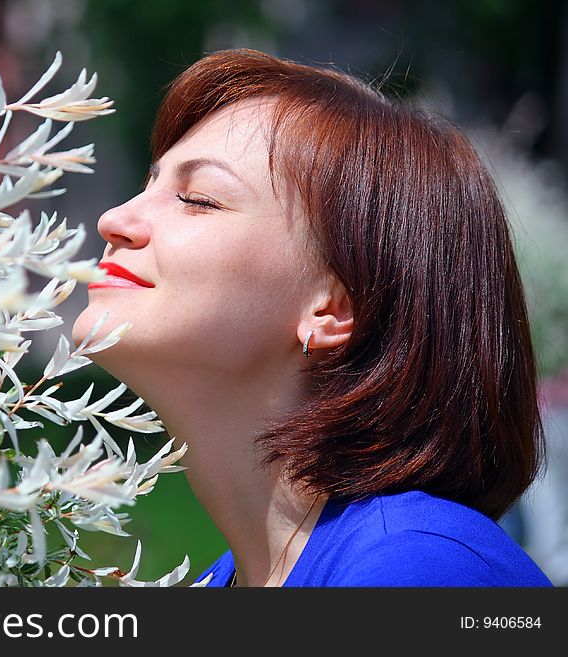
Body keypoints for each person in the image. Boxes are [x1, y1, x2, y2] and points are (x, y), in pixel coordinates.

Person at [71, 49, 553, 587]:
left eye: (198, 199)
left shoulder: (420, 571)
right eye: (149, 183)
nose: (114, 220)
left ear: (332, 308)